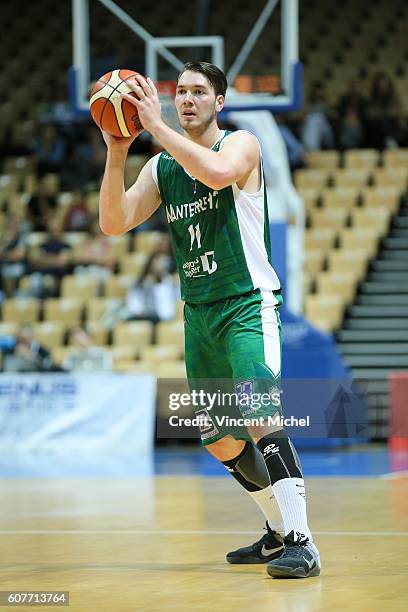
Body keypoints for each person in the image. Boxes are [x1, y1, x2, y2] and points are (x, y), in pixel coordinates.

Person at [98, 61, 320, 579]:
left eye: (200, 92)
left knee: (258, 411)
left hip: (246, 304)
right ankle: (277, 531)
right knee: (220, 437)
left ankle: (303, 542)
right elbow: (113, 223)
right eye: (181, 92)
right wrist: (115, 153)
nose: (187, 100)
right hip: (198, 313)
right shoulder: (160, 169)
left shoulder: (241, 145)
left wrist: (154, 127)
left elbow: (217, 175)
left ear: (219, 102)